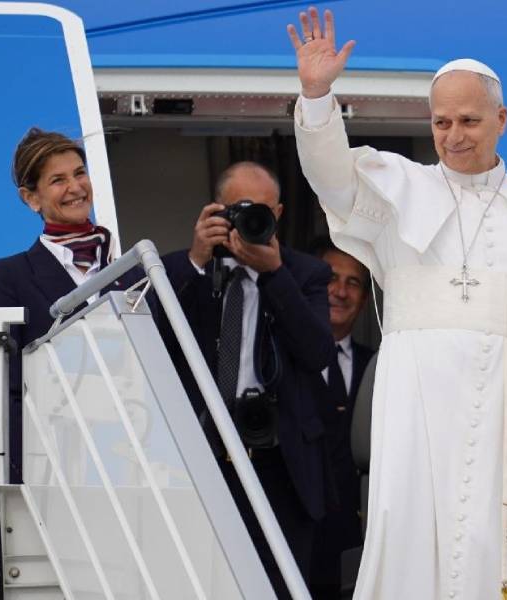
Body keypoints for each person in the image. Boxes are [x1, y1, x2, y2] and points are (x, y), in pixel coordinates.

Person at [287, 8, 507, 599]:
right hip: (420, 405)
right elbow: (329, 174)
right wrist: (316, 96)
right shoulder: (396, 189)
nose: (454, 135)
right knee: (415, 533)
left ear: (502, 119)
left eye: (468, 120)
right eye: (441, 122)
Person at [160, 161, 334, 598]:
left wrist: (274, 276)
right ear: (216, 211)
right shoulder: (181, 271)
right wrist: (197, 260)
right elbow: (156, 341)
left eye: (261, 211)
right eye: (238, 209)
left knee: (281, 587)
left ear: (278, 213)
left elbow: (317, 354)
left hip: (280, 460)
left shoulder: (305, 273)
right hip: (203, 455)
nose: (249, 220)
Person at [0, 127, 144, 484]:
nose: (75, 187)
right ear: (31, 198)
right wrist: (22, 474)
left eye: (79, 174)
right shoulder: (9, 276)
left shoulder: (135, 273)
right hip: (53, 470)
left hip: (134, 464)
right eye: (58, 180)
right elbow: (0, 388)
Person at [309, 239, 375, 599]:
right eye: (331, 278)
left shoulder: (380, 366)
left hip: (360, 546)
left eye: (353, 283)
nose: (340, 291)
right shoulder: (280, 358)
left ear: (364, 300)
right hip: (297, 542)